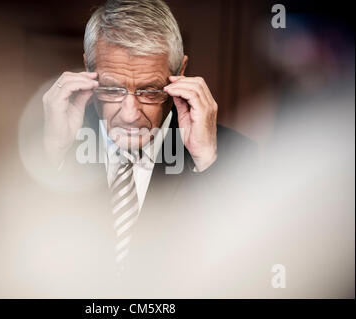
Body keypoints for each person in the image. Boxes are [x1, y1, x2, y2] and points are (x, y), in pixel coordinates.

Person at [41, 0, 257, 284]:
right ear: (88, 69)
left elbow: (246, 274)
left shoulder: (236, 157)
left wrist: (207, 163)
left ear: (180, 73)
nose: (130, 115)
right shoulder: (48, 148)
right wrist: (51, 155)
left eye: (150, 91)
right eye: (112, 89)